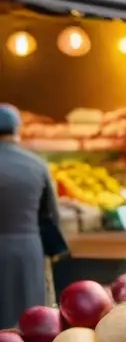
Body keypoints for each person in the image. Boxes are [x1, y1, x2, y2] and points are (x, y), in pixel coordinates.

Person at [0, 105, 62, 327]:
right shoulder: (37, 164)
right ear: (17, 130)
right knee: (29, 322)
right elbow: (52, 216)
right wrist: (54, 252)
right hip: (27, 252)